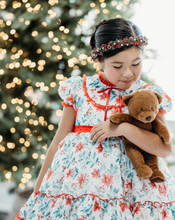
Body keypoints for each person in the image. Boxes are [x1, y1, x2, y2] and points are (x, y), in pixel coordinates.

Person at [15, 18, 175, 220]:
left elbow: (164, 149)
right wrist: (39, 191)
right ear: (99, 61)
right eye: (117, 65)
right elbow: (57, 143)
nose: (128, 73)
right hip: (79, 191)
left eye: (136, 63)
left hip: (136, 196)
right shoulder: (79, 90)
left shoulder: (149, 95)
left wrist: (121, 129)